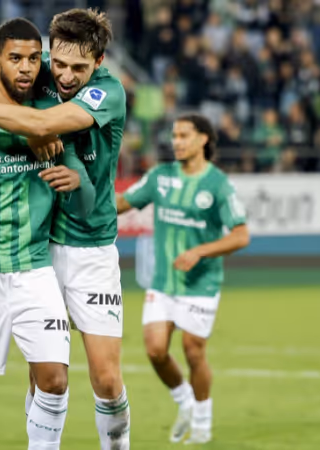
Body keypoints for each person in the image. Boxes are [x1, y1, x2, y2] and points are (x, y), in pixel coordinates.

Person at [0, 8, 131, 448]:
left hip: (90, 243)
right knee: (47, 378)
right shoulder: (39, 73)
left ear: (98, 62)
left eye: (79, 67)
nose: (67, 76)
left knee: (106, 378)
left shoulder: (108, 92)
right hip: (39, 245)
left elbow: (40, 124)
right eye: (60, 63)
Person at [116, 113, 251, 444]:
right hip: (164, 282)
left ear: (203, 139)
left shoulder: (218, 184)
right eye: (174, 136)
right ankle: (186, 401)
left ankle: (202, 423)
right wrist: (83, 192)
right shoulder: (160, 177)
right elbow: (121, 203)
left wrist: (199, 252)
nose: (176, 142)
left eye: (184, 135)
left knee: (193, 351)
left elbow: (240, 235)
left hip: (200, 284)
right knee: (155, 351)